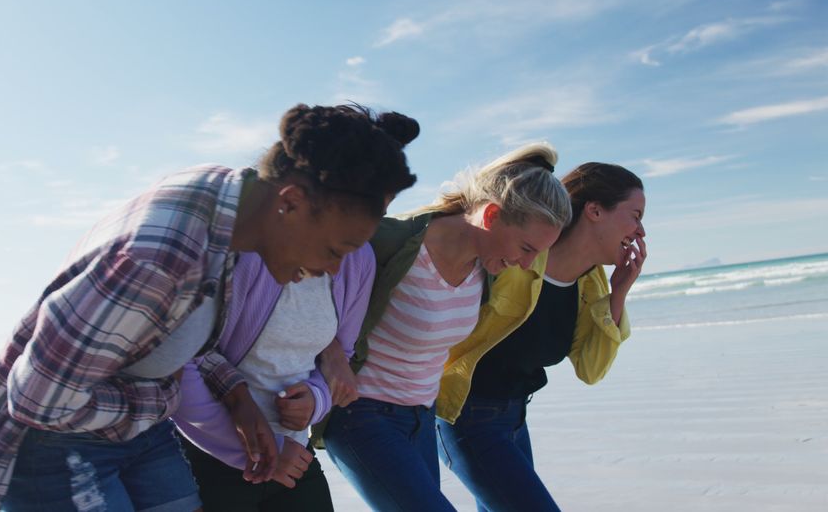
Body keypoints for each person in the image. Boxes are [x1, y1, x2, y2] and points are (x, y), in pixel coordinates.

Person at [0, 103, 418, 512]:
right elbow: (36, 399)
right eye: (334, 251)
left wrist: (235, 393)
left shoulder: (233, 203)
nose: (331, 272)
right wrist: (162, 400)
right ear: (290, 203)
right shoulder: (156, 261)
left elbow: (172, 334)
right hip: (53, 445)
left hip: (137, 432)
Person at [170, 113, 417, 511]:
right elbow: (186, 358)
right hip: (209, 448)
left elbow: (339, 359)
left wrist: (316, 401)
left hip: (293, 451)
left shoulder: (357, 263)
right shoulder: (246, 247)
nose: (371, 223)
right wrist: (251, 450)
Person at [317, 144, 572, 512]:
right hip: (362, 414)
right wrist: (331, 356)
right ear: (492, 215)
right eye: (526, 247)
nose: (526, 263)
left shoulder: (487, 271)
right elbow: (303, 289)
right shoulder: (391, 242)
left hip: (420, 418)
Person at [435, 162, 647, 512]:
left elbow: (590, 370)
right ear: (594, 210)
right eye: (635, 215)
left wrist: (618, 293)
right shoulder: (512, 254)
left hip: (516, 422)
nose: (640, 232)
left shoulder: (589, 285)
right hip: (466, 418)